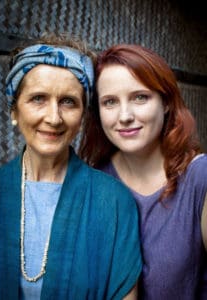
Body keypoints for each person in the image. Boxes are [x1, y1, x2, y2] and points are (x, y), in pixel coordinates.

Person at [0, 35, 142, 300]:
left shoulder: (114, 203)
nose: (53, 118)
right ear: (14, 110)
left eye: (68, 102)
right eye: (38, 98)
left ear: (83, 113)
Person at [79, 43, 207, 299]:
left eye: (140, 97)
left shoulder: (199, 177)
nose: (125, 116)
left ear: (167, 103)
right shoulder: (92, 184)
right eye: (110, 102)